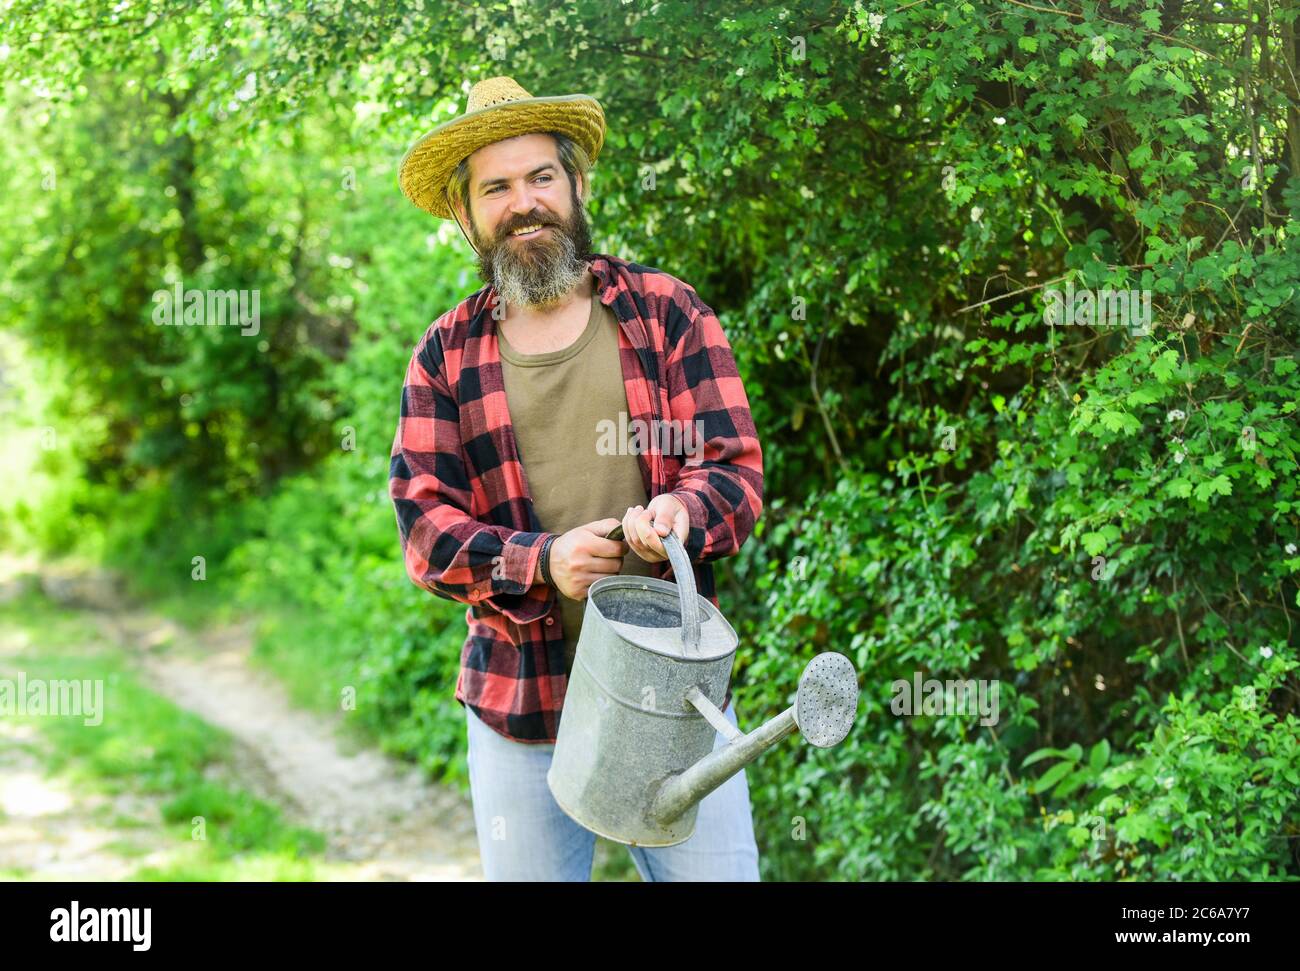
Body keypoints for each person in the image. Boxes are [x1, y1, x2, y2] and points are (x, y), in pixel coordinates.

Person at [390, 76, 764, 881]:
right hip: (520, 700)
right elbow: (424, 529)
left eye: (540, 178)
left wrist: (682, 511)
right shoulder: (445, 354)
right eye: (496, 187)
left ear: (577, 185)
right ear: (466, 213)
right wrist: (541, 560)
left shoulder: (668, 313)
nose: (523, 203)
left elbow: (732, 470)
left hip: (673, 693)